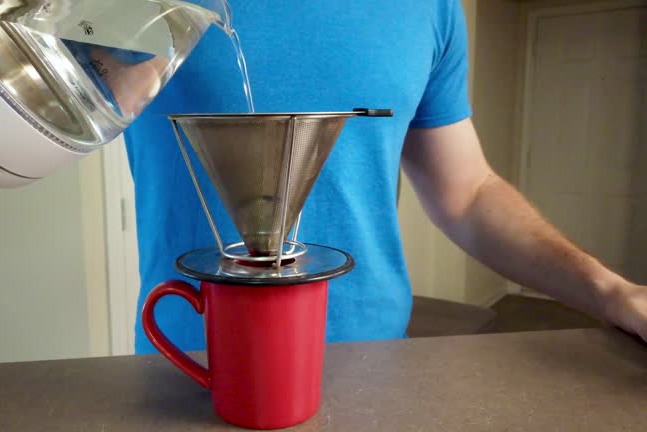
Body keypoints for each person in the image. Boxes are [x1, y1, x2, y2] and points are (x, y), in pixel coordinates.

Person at [123, 0, 646, 354]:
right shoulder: (128, 9)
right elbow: (45, 124)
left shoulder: (428, 8)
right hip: (185, 363)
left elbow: (468, 193)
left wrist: (607, 290)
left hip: (376, 365)